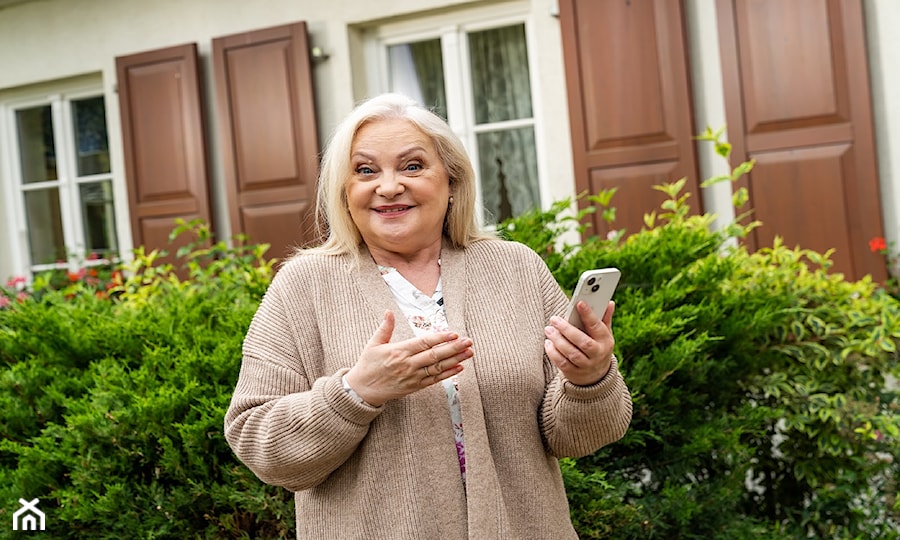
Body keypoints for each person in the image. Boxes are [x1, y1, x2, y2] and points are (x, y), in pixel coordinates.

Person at [224, 93, 632, 539]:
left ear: (452, 181)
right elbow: (258, 442)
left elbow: (579, 437)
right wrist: (355, 393)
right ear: (344, 191)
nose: (389, 186)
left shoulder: (515, 267)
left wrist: (589, 379)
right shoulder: (304, 285)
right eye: (365, 170)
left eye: (412, 166)